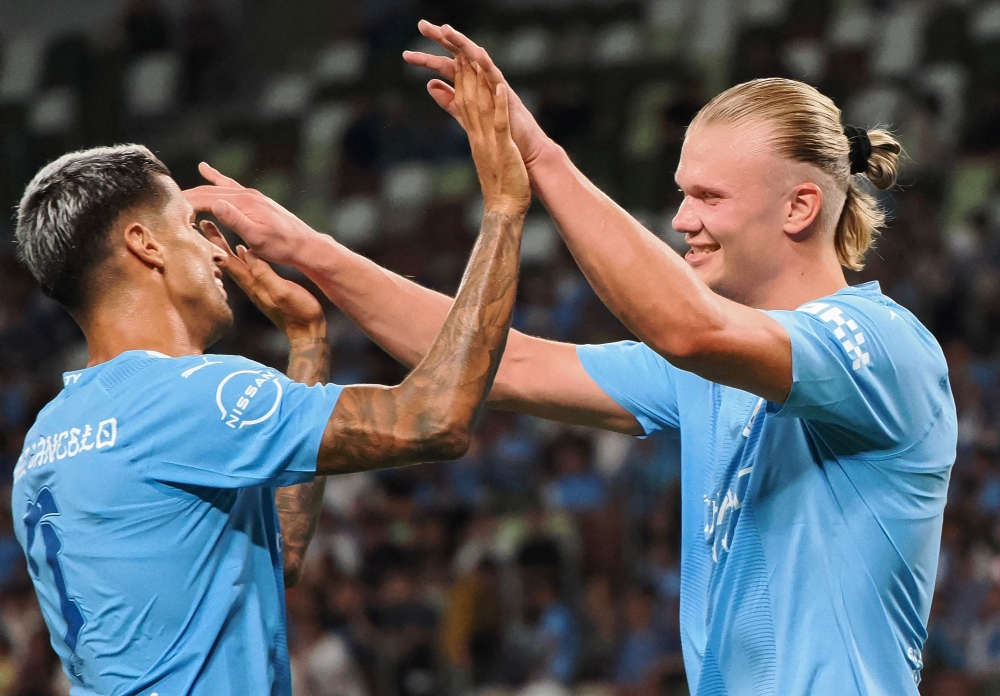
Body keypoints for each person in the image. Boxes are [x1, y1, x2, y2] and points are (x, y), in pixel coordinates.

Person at [186, 24, 958, 696]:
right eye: (682, 192)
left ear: (800, 207)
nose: (683, 218)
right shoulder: (713, 371)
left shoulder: (880, 346)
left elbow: (686, 329)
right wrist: (311, 252)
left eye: (710, 198)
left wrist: (541, 158)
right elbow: (507, 366)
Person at [11, 58, 528, 695]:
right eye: (191, 227)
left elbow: (271, 555)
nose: (211, 247)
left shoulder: (46, 438)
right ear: (145, 245)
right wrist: (504, 208)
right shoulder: (185, 397)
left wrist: (308, 340)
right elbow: (434, 418)